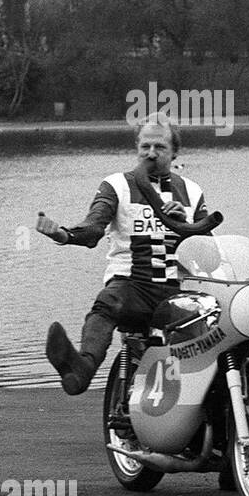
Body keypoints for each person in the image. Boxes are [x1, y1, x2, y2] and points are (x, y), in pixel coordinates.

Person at [37, 118, 209, 397]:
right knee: (108, 302)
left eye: (160, 147)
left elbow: (208, 253)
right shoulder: (116, 185)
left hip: (176, 291)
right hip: (131, 286)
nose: (151, 153)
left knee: (214, 322)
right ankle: (81, 368)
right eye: (145, 146)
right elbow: (94, 227)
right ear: (137, 148)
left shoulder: (192, 191)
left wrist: (184, 230)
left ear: (175, 152)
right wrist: (64, 235)